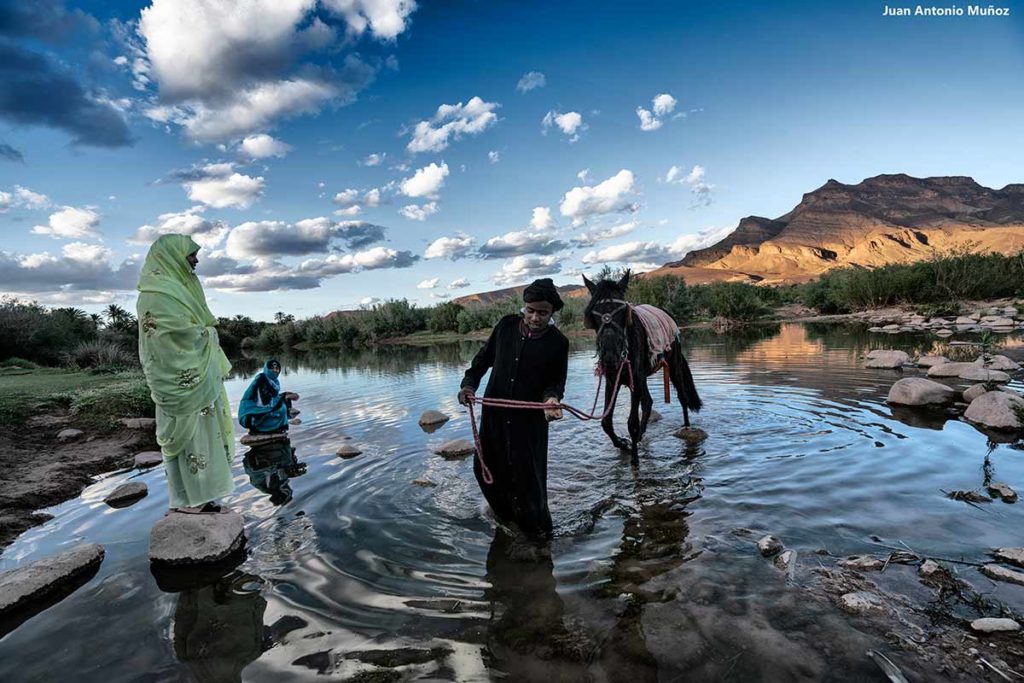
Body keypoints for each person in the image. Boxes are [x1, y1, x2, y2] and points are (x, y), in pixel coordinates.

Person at [458, 278, 569, 539]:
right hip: (494, 418)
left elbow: (555, 382)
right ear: (524, 308)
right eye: (530, 310)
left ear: (552, 312)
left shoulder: (558, 343)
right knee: (483, 467)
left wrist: (551, 400)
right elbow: (482, 360)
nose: (534, 317)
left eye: (542, 312)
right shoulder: (506, 326)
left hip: (529, 423)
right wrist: (468, 385)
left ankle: (540, 535)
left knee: (529, 479)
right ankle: (505, 518)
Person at [137, 234, 235, 514]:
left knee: (206, 433)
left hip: (198, 376)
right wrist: (208, 334)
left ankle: (204, 496)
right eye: (191, 254)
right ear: (171, 256)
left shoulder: (180, 288)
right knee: (189, 435)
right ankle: (187, 500)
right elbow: (168, 335)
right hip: (178, 376)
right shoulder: (155, 294)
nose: (196, 260)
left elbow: (191, 323)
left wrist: (204, 333)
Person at [238, 359, 299, 434]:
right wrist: (284, 398)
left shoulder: (273, 381)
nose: (275, 371)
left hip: (260, 409)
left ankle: (274, 427)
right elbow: (263, 402)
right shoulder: (261, 379)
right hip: (250, 413)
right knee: (282, 407)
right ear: (267, 369)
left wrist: (285, 396)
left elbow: (272, 397)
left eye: (277, 369)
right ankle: (264, 429)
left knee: (284, 403)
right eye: (272, 368)